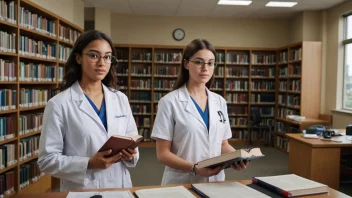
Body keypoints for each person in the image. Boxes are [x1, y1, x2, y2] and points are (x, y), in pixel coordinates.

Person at [38, 30, 139, 191]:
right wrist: (89, 163)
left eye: (107, 57)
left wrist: (131, 153)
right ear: (78, 58)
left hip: (120, 187)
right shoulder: (59, 104)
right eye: (94, 55)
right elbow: (46, 160)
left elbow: (133, 138)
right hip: (83, 190)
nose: (102, 63)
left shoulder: (120, 99)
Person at [151, 38, 249, 185]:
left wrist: (235, 157)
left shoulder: (219, 101)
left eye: (210, 63)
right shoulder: (169, 102)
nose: (205, 68)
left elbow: (222, 144)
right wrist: (194, 168)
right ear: (186, 64)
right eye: (198, 62)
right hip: (182, 181)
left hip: (215, 181)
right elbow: (163, 154)